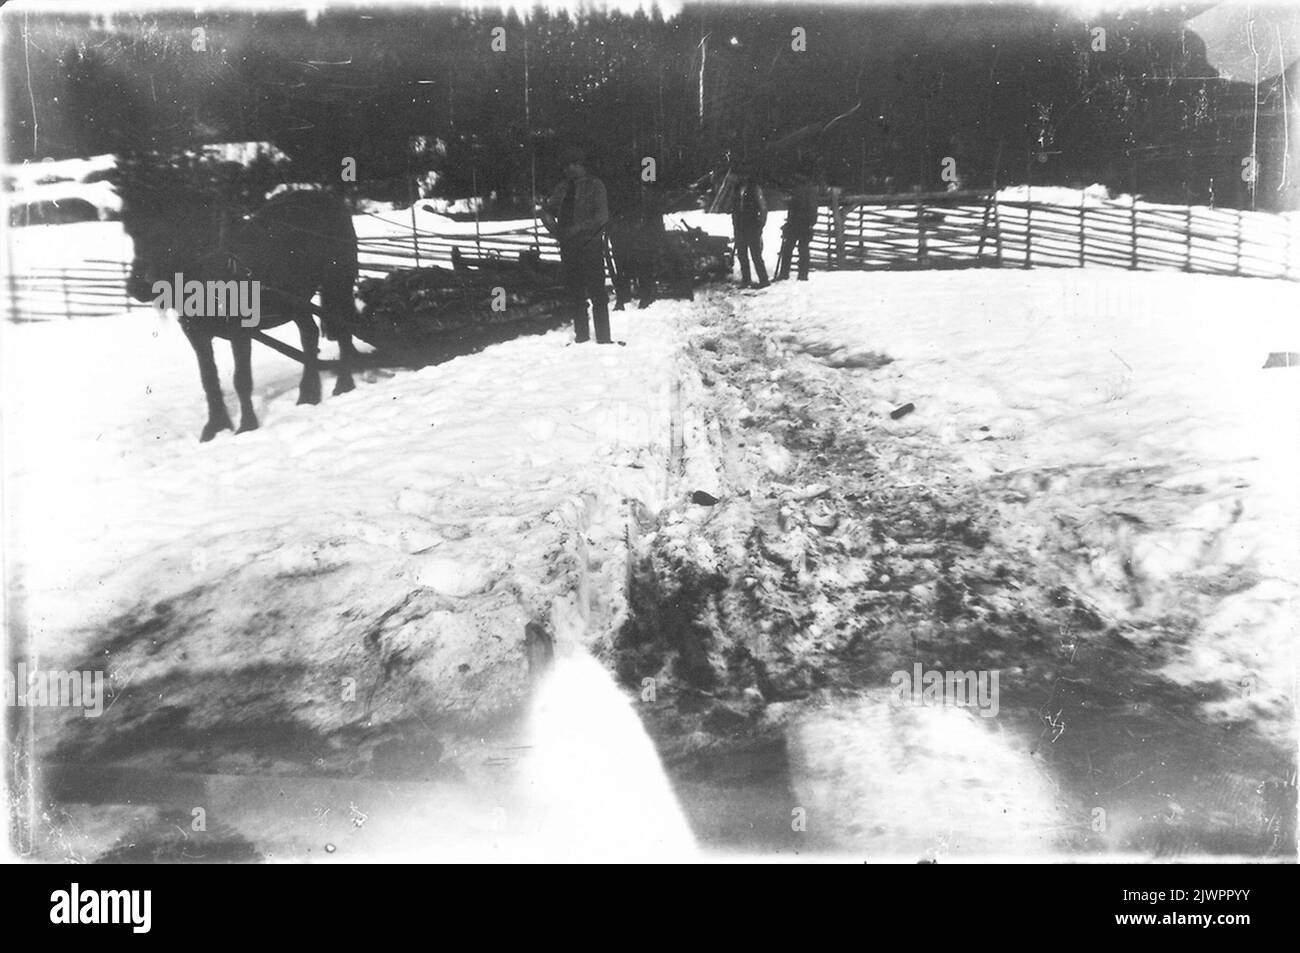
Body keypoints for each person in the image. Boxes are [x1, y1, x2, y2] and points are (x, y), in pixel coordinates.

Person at [540, 146, 612, 344]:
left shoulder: (595, 186)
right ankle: (581, 336)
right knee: (575, 292)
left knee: (597, 292)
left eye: (574, 164)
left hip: (590, 246)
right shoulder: (562, 188)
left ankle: (604, 338)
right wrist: (554, 228)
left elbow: (602, 216)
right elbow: (546, 211)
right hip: (569, 248)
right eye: (566, 166)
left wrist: (578, 229)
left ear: (582, 166)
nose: (569, 169)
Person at [775, 169, 818, 281]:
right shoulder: (798, 187)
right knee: (789, 248)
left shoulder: (808, 188)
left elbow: (812, 206)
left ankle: (802, 275)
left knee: (801, 248)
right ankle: (786, 274)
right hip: (794, 222)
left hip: (803, 223)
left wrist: (811, 222)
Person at [731, 171, 769, 288]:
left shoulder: (754, 189)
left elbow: (763, 209)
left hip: (752, 227)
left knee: (756, 254)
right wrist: (734, 222)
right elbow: (735, 208)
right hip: (740, 227)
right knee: (742, 255)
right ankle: (746, 279)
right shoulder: (736, 190)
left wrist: (760, 225)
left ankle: (764, 280)